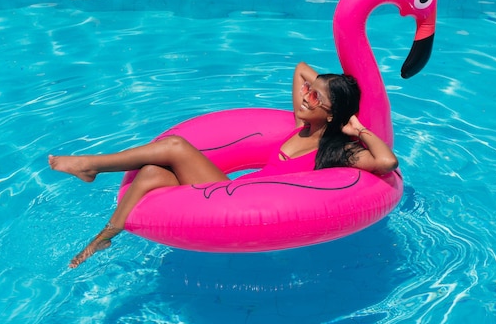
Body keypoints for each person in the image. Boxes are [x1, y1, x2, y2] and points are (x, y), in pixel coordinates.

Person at [49, 62, 398, 268]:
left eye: (315, 97)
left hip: (235, 198)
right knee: (152, 172)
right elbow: (300, 69)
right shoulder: (299, 125)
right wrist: (326, 87)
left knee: (172, 146)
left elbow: (386, 161)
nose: (306, 96)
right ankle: (105, 236)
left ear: (332, 114)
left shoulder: (335, 150)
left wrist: (358, 127)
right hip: (230, 190)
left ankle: (90, 166)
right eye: (307, 93)